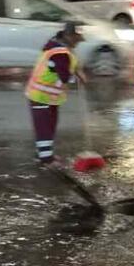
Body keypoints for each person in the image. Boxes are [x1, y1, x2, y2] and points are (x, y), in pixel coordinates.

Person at [25, 21, 86, 166]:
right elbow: (64, 76)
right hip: (40, 96)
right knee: (45, 128)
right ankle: (46, 160)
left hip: (48, 98)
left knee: (49, 127)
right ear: (70, 36)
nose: (79, 42)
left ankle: (45, 155)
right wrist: (78, 78)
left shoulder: (58, 46)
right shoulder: (60, 52)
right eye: (77, 38)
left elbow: (65, 66)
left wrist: (77, 70)